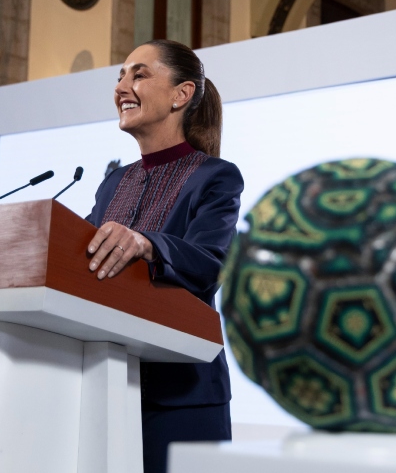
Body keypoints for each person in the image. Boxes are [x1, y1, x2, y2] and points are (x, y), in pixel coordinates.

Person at [84, 39, 243, 473]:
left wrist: (147, 244)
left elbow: (211, 263)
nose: (122, 87)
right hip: (109, 387)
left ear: (181, 94)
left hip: (183, 396)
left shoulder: (216, 177)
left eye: (139, 75)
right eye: (120, 76)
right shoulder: (113, 183)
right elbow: (80, 255)